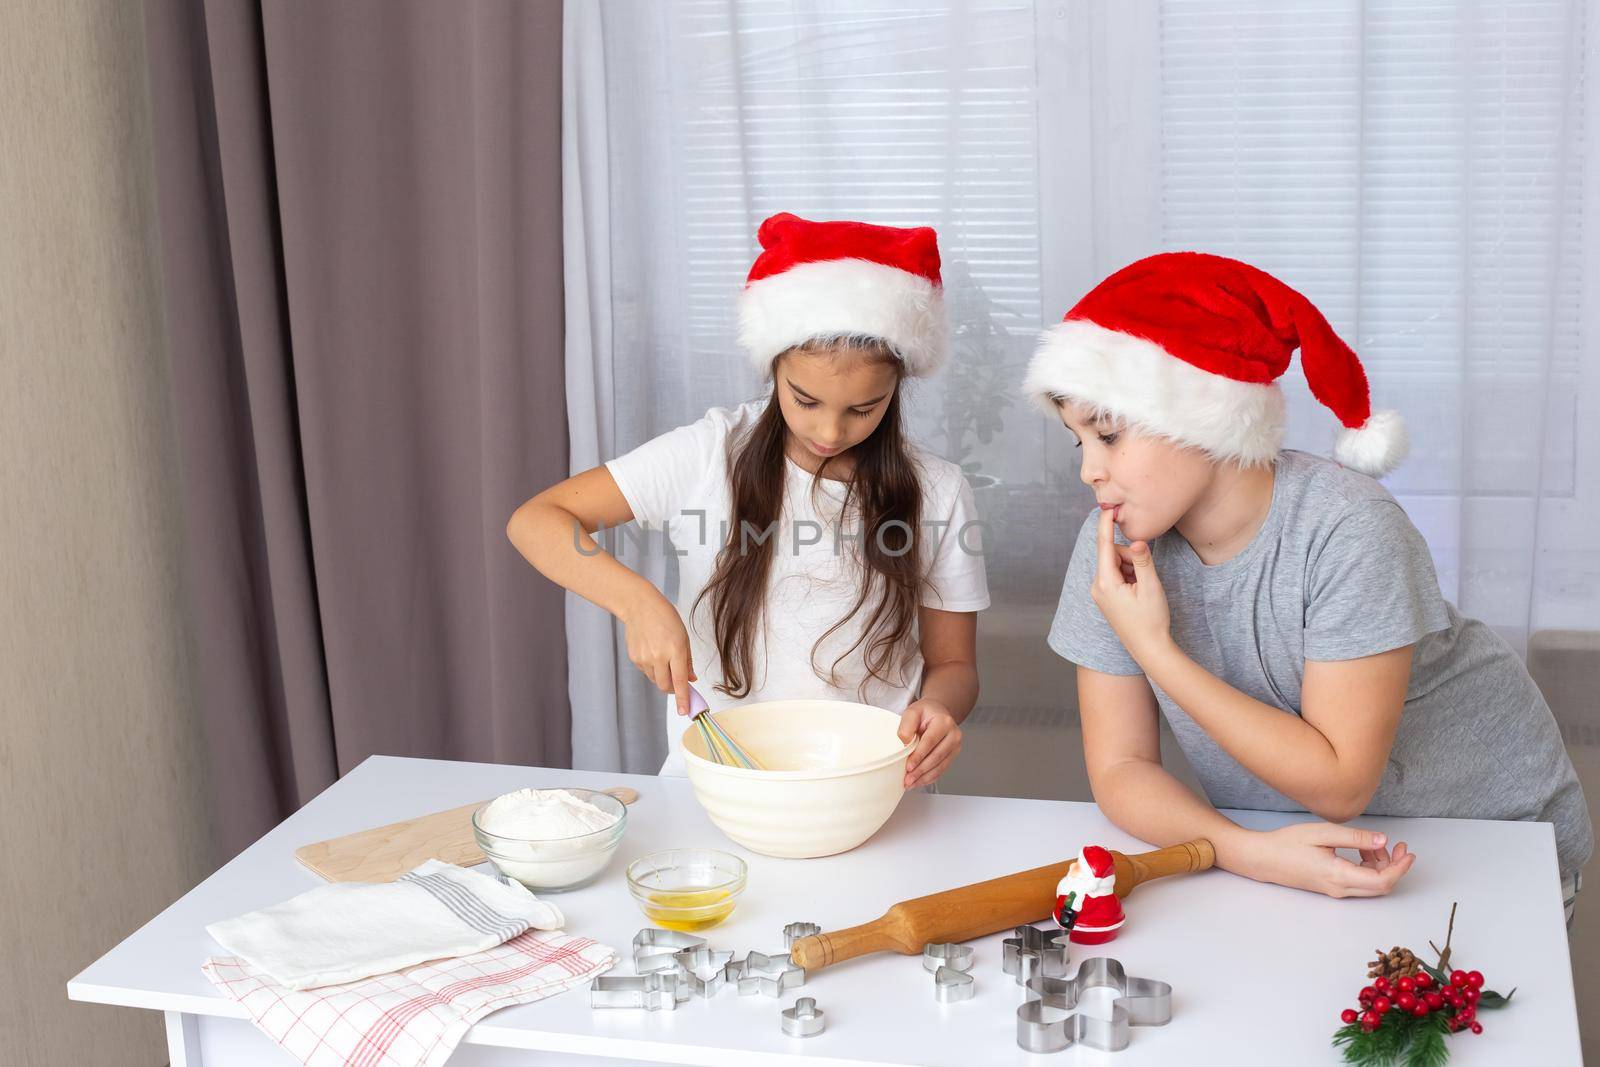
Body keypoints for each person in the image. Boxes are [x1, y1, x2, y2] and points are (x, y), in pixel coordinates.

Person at [1023, 251, 1590, 920]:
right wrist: (1241, 850)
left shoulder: (1350, 529)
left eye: (1110, 435)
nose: (1089, 470)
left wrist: (1155, 650)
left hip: (1487, 835)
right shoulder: (1115, 548)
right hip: (1298, 847)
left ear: (1200, 416)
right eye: (1076, 440)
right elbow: (1120, 770)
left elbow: (1340, 782)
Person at [508, 213, 989, 787]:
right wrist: (637, 602)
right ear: (774, 367)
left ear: (897, 388)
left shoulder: (938, 491)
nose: (831, 432)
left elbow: (953, 666)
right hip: (710, 786)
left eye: (864, 408)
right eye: (805, 399)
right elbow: (536, 521)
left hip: (872, 789)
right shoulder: (707, 455)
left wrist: (939, 710)